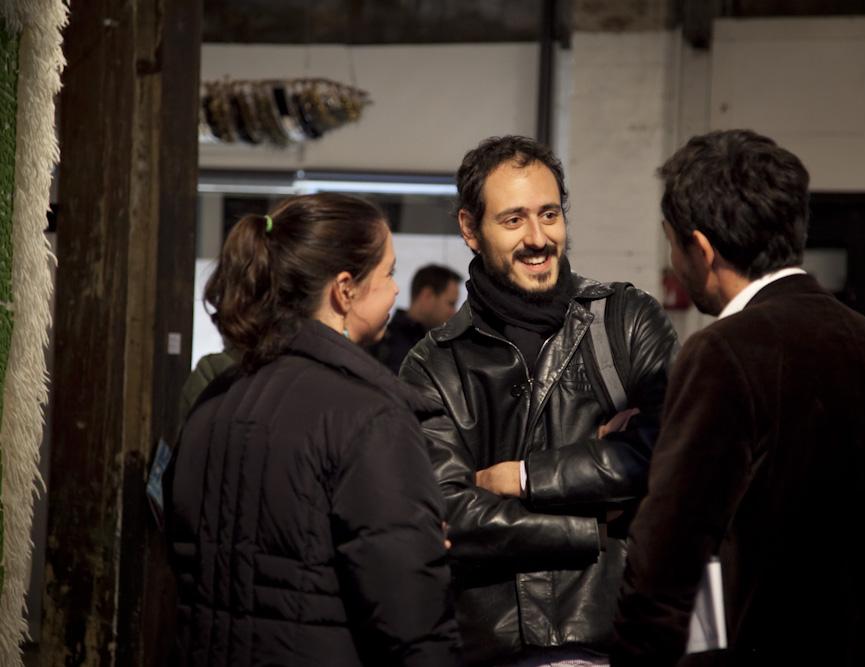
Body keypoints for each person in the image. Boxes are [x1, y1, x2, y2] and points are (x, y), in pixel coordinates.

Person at [613, 129, 865, 666]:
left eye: (671, 243)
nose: (673, 261)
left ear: (701, 248)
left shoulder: (723, 352)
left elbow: (667, 561)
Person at [400, 135, 679, 666]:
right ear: (470, 229)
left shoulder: (626, 319)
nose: (538, 238)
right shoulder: (434, 364)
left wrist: (523, 478)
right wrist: (593, 526)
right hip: (491, 648)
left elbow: (669, 453)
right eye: (513, 220)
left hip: (619, 639)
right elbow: (448, 512)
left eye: (549, 214)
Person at [165, 193, 461, 667]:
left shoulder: (213, 401)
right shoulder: (369, 417)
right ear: (345, 290)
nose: (394, 291)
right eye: (388, 273)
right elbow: (411, 615)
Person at [371, 264, 462, 374]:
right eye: (451, 303)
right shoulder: (393, 348)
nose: (454, 312)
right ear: (427, 295)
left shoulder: (429, 344)